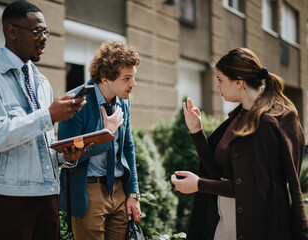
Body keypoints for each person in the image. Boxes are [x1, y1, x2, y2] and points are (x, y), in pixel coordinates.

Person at [0, 1, 88, 239]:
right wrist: (49, 115)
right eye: (37, 31)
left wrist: (65, 156)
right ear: (12, 32)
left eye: (45, 31)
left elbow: (39, 143)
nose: (44, 38)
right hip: (6, 199)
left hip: (46, 195)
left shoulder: (41, 82)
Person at [171, 48, 308, 240]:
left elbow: (253, 187)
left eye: (220, 80)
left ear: (238, 82)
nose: (217, 86)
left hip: (254, 222)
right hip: (228, 218)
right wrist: (196, 131)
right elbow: (219, 173)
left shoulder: (266, 122)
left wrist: (199, 185)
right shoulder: (241, 116)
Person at [58, 40, 142, 240]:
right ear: (105, 78)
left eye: (134, 77)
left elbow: (128, 147)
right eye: (126, 78)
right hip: (88, 191)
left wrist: (133, 194)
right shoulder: (74, 102)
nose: (133, 84)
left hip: (119, 190)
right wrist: (106, 132)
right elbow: (68, 155)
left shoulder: (123, 101)